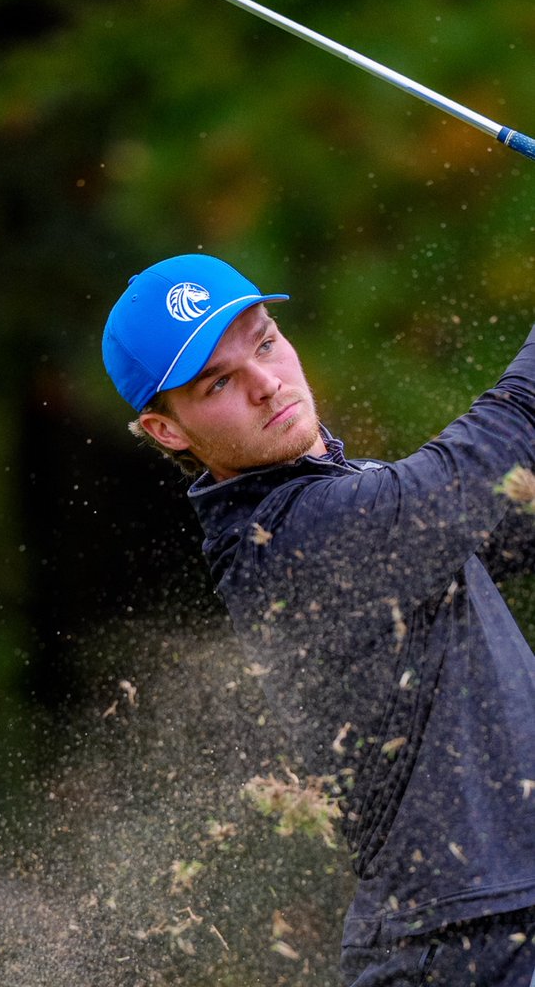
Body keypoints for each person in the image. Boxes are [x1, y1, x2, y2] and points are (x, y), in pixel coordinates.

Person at [102, 252, 535, 986]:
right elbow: (483, 460)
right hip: (460, 948)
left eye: (265, 342)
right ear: (166, 430)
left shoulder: (358, 491)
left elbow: (508, 508)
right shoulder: (282, 538)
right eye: (218, 383)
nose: (265, 383)